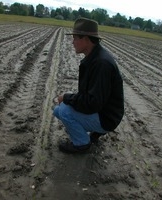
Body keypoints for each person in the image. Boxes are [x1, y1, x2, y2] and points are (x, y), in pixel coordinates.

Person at [53, 17, 124, 154]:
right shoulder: (95, 58)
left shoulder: (101, 64)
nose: (73, 42)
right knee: (58, 110)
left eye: (75, 38)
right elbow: (90, 96)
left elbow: (93, 103)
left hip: (107, 118)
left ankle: (81, 144)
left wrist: (67, 98)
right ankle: (94, 133)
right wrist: (68, 98)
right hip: (105, 112)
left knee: (64, 111)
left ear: (86, 39)